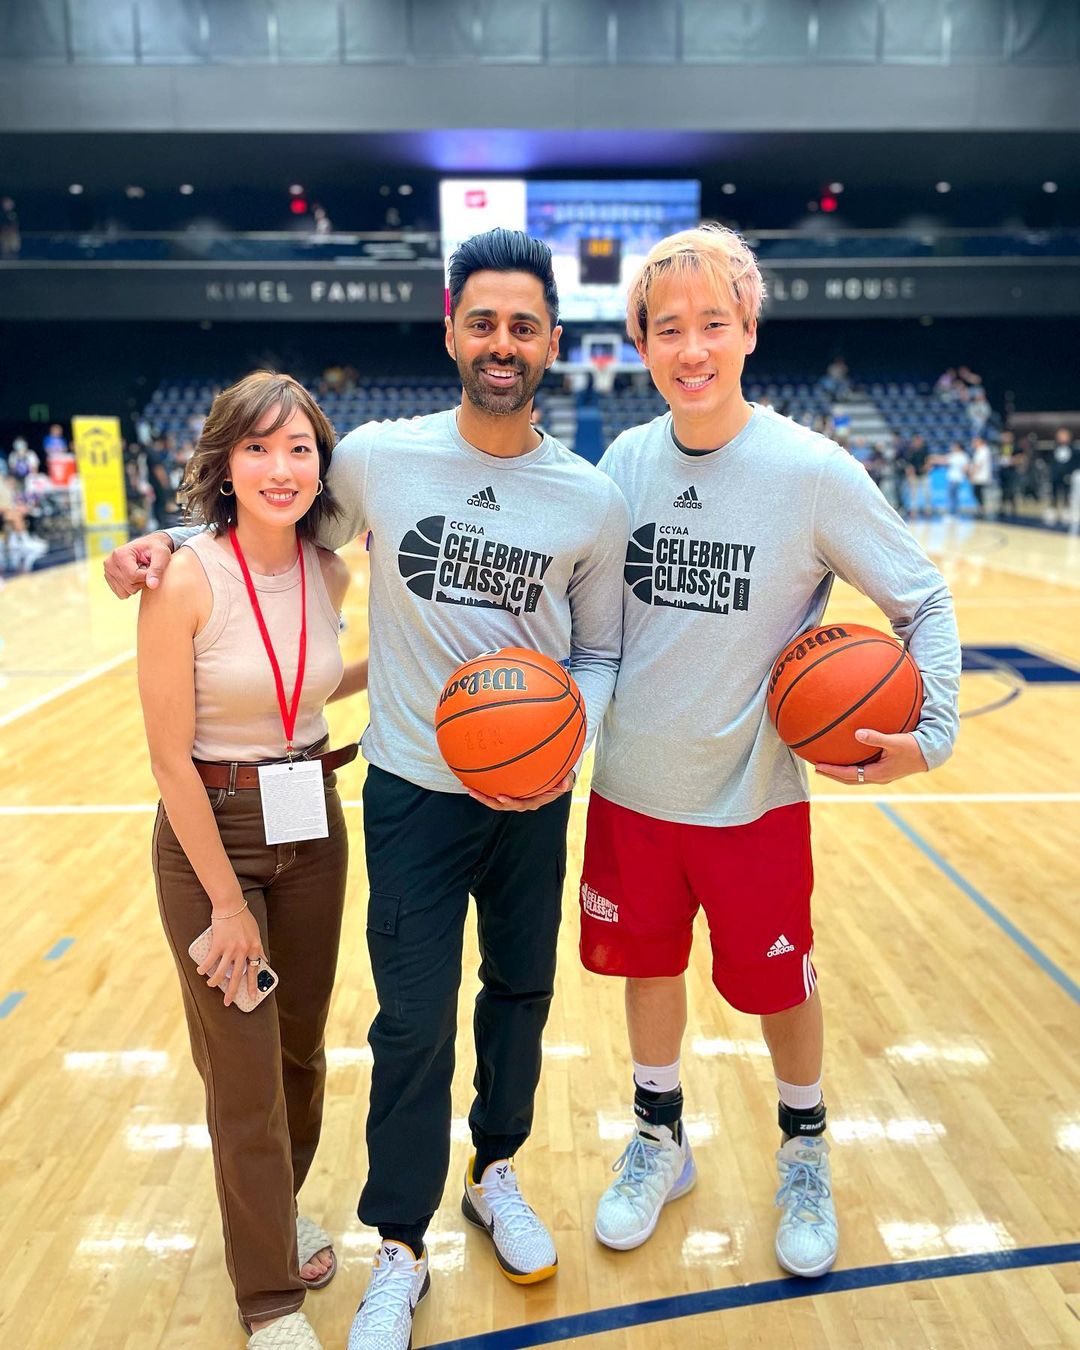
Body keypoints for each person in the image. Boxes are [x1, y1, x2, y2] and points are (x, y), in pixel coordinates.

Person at [104, 229, 629, 1350]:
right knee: (411, 1022)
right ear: (452, 332)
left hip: (533, 800)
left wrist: (565, 737)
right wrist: (160, 544)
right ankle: (399, 1242)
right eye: (482, 322)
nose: (501, 342)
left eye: (523, 325)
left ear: (552, 341)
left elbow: (598, 650)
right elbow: (272, 525)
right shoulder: (384, 458)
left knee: (521, 995)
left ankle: (496, 1171)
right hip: (408, 792)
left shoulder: (590, 497)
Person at [577, 225, 960, 1280]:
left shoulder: (811, 472)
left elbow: (923, 599)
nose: (691, 348)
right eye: (668, 329)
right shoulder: (623, 464)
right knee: (646, 969)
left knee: (782, 986)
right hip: (631, 791)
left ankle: (803, 1147)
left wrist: (931, 734)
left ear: (749, 329)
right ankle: (660, 1135)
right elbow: (580, 614)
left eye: (713, 323)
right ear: (640, 346)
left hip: (753, 800)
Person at [137, 371, 367, 1349]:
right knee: (242, 1073)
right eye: (258, 447)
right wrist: (226, 903)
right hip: (211, 836)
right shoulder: (183, 578)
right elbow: (168, 760)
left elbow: (305, 686)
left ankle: (281, 1206)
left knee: (300, 1052)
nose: (281, 467)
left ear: (321, 465)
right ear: (225, 465)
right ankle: (269, 1298)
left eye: (299, 448)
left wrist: (409, 669)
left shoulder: (330, 573)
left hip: (311, 820)